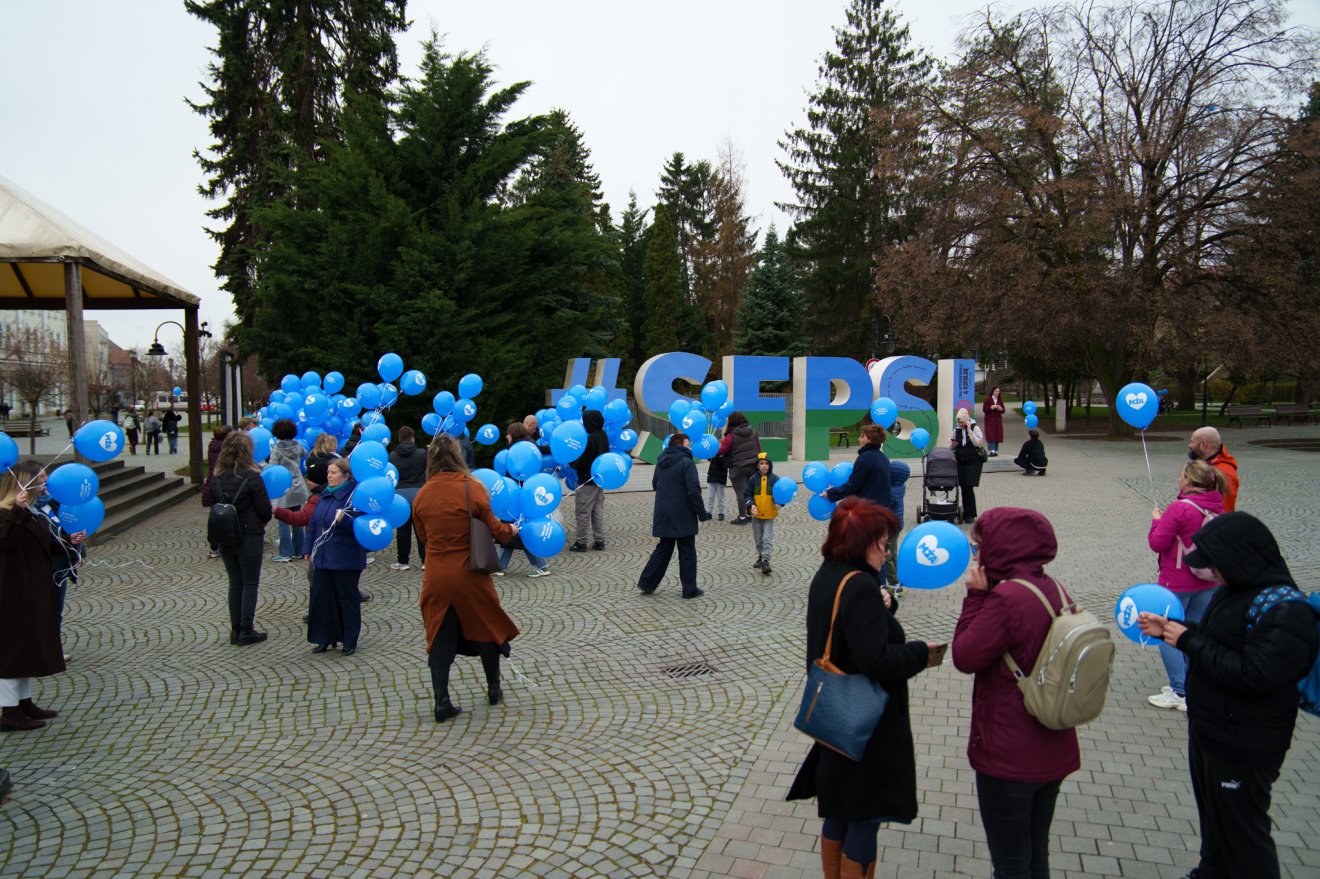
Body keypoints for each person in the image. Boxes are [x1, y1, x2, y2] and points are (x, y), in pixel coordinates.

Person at [1139, 513, 1318, 879]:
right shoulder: (1235, 590)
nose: (1210, 574)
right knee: (1215, 825)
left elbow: (1254, 675)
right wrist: (1176, 629)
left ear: (1240, 559)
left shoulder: (1287, 610)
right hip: (1210, 732)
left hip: (1245, 745)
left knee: (1244, 835)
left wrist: (1187, 640)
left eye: (1215, 566)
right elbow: (1220, 639)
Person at [786, 497, 946, 879]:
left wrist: (882, 608)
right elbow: (877, 660)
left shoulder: (831, 573)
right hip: (865, 722)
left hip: (836, 715)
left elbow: (846, 631)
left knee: (840, 808)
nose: (887, 549)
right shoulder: (858, 585)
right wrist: (920, 653)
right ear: (863, 544)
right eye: (881, 542)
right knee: (863, 815)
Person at [952, 507, 1081, 879]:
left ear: (1001, 549)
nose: (976, 556)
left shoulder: (1006, 599)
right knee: (1035, 855)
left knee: (1010, 865)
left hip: (1010, 756)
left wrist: (975, 597)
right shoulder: (1053, 587)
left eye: (980, 547)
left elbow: (965, 655)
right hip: (1052, 746)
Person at [412, 435, 519, 722]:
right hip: (469, 574)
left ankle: (441, 701)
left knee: (439, 635)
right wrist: (511, 530)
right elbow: (494, 530)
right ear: (458, 457)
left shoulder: (423, 494)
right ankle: (494, 688)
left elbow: (422, 536)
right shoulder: (473, 488)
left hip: (436, 575)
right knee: (485, 627)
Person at [1145, 461, 1226, 711]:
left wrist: (1156, 522)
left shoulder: (1180, 509)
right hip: (1207, 580)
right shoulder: (1217, 506)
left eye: (1181, 475)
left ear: (1189, 481)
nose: (1178, 479)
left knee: (1167, 630)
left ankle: (1179, 690)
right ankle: (1192, 686)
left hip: (1177, 580)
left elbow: (1158, 543)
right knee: (1194, 631)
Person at [0, 461, 72, 732]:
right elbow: (6, 541)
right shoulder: (7, 513)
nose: (43, 486)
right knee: (11, 653)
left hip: (32, 590)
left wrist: (69, 544)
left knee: (26, 649)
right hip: (12, 592)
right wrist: (17, 513)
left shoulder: (29, 512)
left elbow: (44, 543)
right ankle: (9, 711)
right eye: (38, 482)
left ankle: (23, 702)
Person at [299, 457, 366, 655]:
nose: (329, 476)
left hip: (345, 558)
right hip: (322, 557)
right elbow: (313, 524)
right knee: (321, 598)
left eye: (334, 472)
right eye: (328, 473)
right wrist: (307, 548)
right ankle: (324, 638)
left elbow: (360, 526)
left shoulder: (354, 497)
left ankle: (349, 639)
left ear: (346, 476)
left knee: (346, 599)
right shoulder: (325, 495)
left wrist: (344, 520)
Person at [211, 431, 273, 645]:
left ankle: (235, 629)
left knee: (235, 583)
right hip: (249, 535)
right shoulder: (251, 476)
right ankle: (246, 629)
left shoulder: (217, 475)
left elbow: (212, 502)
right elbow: (264, 509)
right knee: (249, 583)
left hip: (226, 534)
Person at [23, 461, 88, 663]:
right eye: (41, 477)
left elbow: (69, 527)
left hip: (60, 564)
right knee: (41, 609)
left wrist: (79, 550)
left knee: (55, 609)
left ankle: (52, 647)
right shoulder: (26, 510)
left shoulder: (54, 502)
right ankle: (40, 649)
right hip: (40, 567)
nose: (46, 481)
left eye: (45, 476)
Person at [637, 433, 712, 598]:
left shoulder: (661, 462)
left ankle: (647, 582)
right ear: (680, 446)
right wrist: (701, 513)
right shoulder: (687, 463)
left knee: (663, 548)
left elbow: (655, 484)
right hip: (682, 513)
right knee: (687, 552)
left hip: (664, 512)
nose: (690, 447)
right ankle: (689, 589)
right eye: (688, 444)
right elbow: (693, 491)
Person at [494, 423, 550, 577]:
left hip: (517, 497)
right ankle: (501, 566)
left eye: (508, 434)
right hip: (525, 495)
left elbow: (512, 474)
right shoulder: (530, 446)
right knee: (512, 532)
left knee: (519, 532)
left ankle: (542, 565)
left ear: (513, 434)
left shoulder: (516, 451)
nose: (506, 436)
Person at [825, 424, 894, 521]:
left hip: (867, 511)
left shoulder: (865, 458)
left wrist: (830, 493)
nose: (859, 439)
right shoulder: (883, 458)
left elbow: (853, 485)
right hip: (882, 509)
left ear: (870, 439)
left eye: (862, 436)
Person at [268, 419, 309, 563]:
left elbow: (272, 467)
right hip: (297, 486)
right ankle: (299, 550)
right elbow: (305, 452)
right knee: (297, 519)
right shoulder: (298, 445)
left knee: (283, 520)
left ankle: (285, 552)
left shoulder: (277, 449)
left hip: (283, 487)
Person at [569, 410, 610, 552]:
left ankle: (581, 543)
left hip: (587, 480)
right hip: (599, 480)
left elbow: (582, 461)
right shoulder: (603, 435)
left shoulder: (591, 439)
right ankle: (600, 541)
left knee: (583, 511)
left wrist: (572, 462)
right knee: (597, 510)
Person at [388, 426, 427, 572]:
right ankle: (426, 561)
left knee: (402, 531)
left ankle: (403, 561)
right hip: (419, 495)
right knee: (421, 529)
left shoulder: (391, 456)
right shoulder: (422, 454)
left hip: (400, 498)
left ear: (399, 439)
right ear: (412, 438)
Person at [717, 412, 761, 524]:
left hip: (738, 468)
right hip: (753, 466)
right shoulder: (754, 432)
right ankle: (749, 514)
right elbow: (759, 450)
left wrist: (715, 449)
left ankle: (742, 518)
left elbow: (722, 451)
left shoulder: (731, 436)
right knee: (750, 492)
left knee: (741, 493)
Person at [744, 452, 782, 575]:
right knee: (758, 539)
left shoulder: (775, 479)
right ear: (757, 466)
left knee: (767, 538)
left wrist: (780, 503)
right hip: (757, 515)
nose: (764, 466)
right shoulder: (753, 479)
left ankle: (766, 561)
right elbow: (747, 494)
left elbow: (781, 494)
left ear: (770, 465)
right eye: (761, 464)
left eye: (766, 464)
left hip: (770, 514)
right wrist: (751, 505)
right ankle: (760, 556)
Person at [1188, 427, 1239, 512]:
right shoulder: (1206, 465)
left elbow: (1224, 510)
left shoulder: (1224, 473)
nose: (1189, 445)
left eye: (1192, 442)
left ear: (1203, 445)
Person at [950, 408, 986, 523]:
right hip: (961, 461)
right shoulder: (956, 430)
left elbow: (978, 443)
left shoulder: (975, 428)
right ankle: (965, 513)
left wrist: (969, 430)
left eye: (962, 422)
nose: (960, 424)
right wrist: (953, 445)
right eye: (959, 422)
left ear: (966, 421)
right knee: (963, 487)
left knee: (968, 486)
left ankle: (970, 514)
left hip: (973, 461)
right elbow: (949, 446)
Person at [201, 425, 232, 558]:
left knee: (214, 516)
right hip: (224, 484)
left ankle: (214, 547)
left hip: (211, 484)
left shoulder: (212, 446)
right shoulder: (226, 450)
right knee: (228, 514)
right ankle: (226, 544)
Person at [883, 457, 911, 589]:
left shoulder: (891, 492)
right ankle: (899, 578)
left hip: (890, 526)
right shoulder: (900, 486)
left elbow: (884, 505)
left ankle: (895, 583)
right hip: (897, 525)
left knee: (886, 555)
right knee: (893, 553)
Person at [705, 433, 728, 521]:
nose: (719, 446)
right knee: (710, 497)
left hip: (721, 478)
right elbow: (708, 459)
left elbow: (724, 463)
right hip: (712, 476)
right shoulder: (714, 453)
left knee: (720, 497)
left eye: (721, 445)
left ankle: (721, 513)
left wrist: (717, 456)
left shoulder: (725, 454)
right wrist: (708, 454)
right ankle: (708, 512)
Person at [982, 386, 1006, 456]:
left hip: (997, 420)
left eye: (998, 391)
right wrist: (992, 407)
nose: (997, 393)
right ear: (993, 391)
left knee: (997, 434)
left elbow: (1003, 410)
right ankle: (991, 450)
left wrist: (1000, 408)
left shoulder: (1000, 400)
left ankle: (995, 450)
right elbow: (984, 409)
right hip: (989, 420)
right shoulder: (988, 399)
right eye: (996, 391)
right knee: (990, 435)